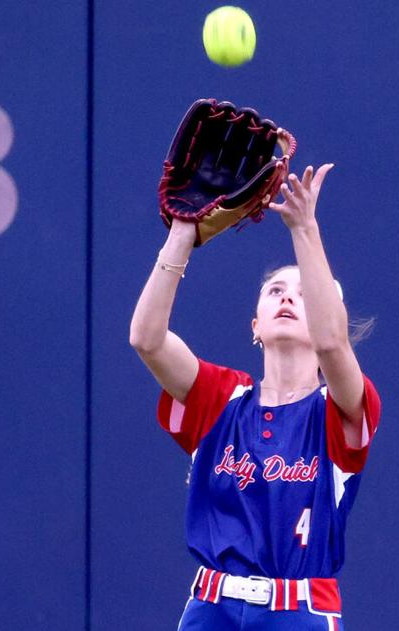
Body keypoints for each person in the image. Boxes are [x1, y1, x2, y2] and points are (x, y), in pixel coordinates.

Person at [130, 164, 381, 631]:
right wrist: (183, 234)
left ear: (331, 318)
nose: (287, 299)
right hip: (212, 606)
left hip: (300, 611)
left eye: (305, 296)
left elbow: (332, 344)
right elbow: (146, 339)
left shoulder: (339, 409)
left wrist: (305, 229)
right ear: (255, 325)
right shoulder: (221, 398)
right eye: (275, 291)